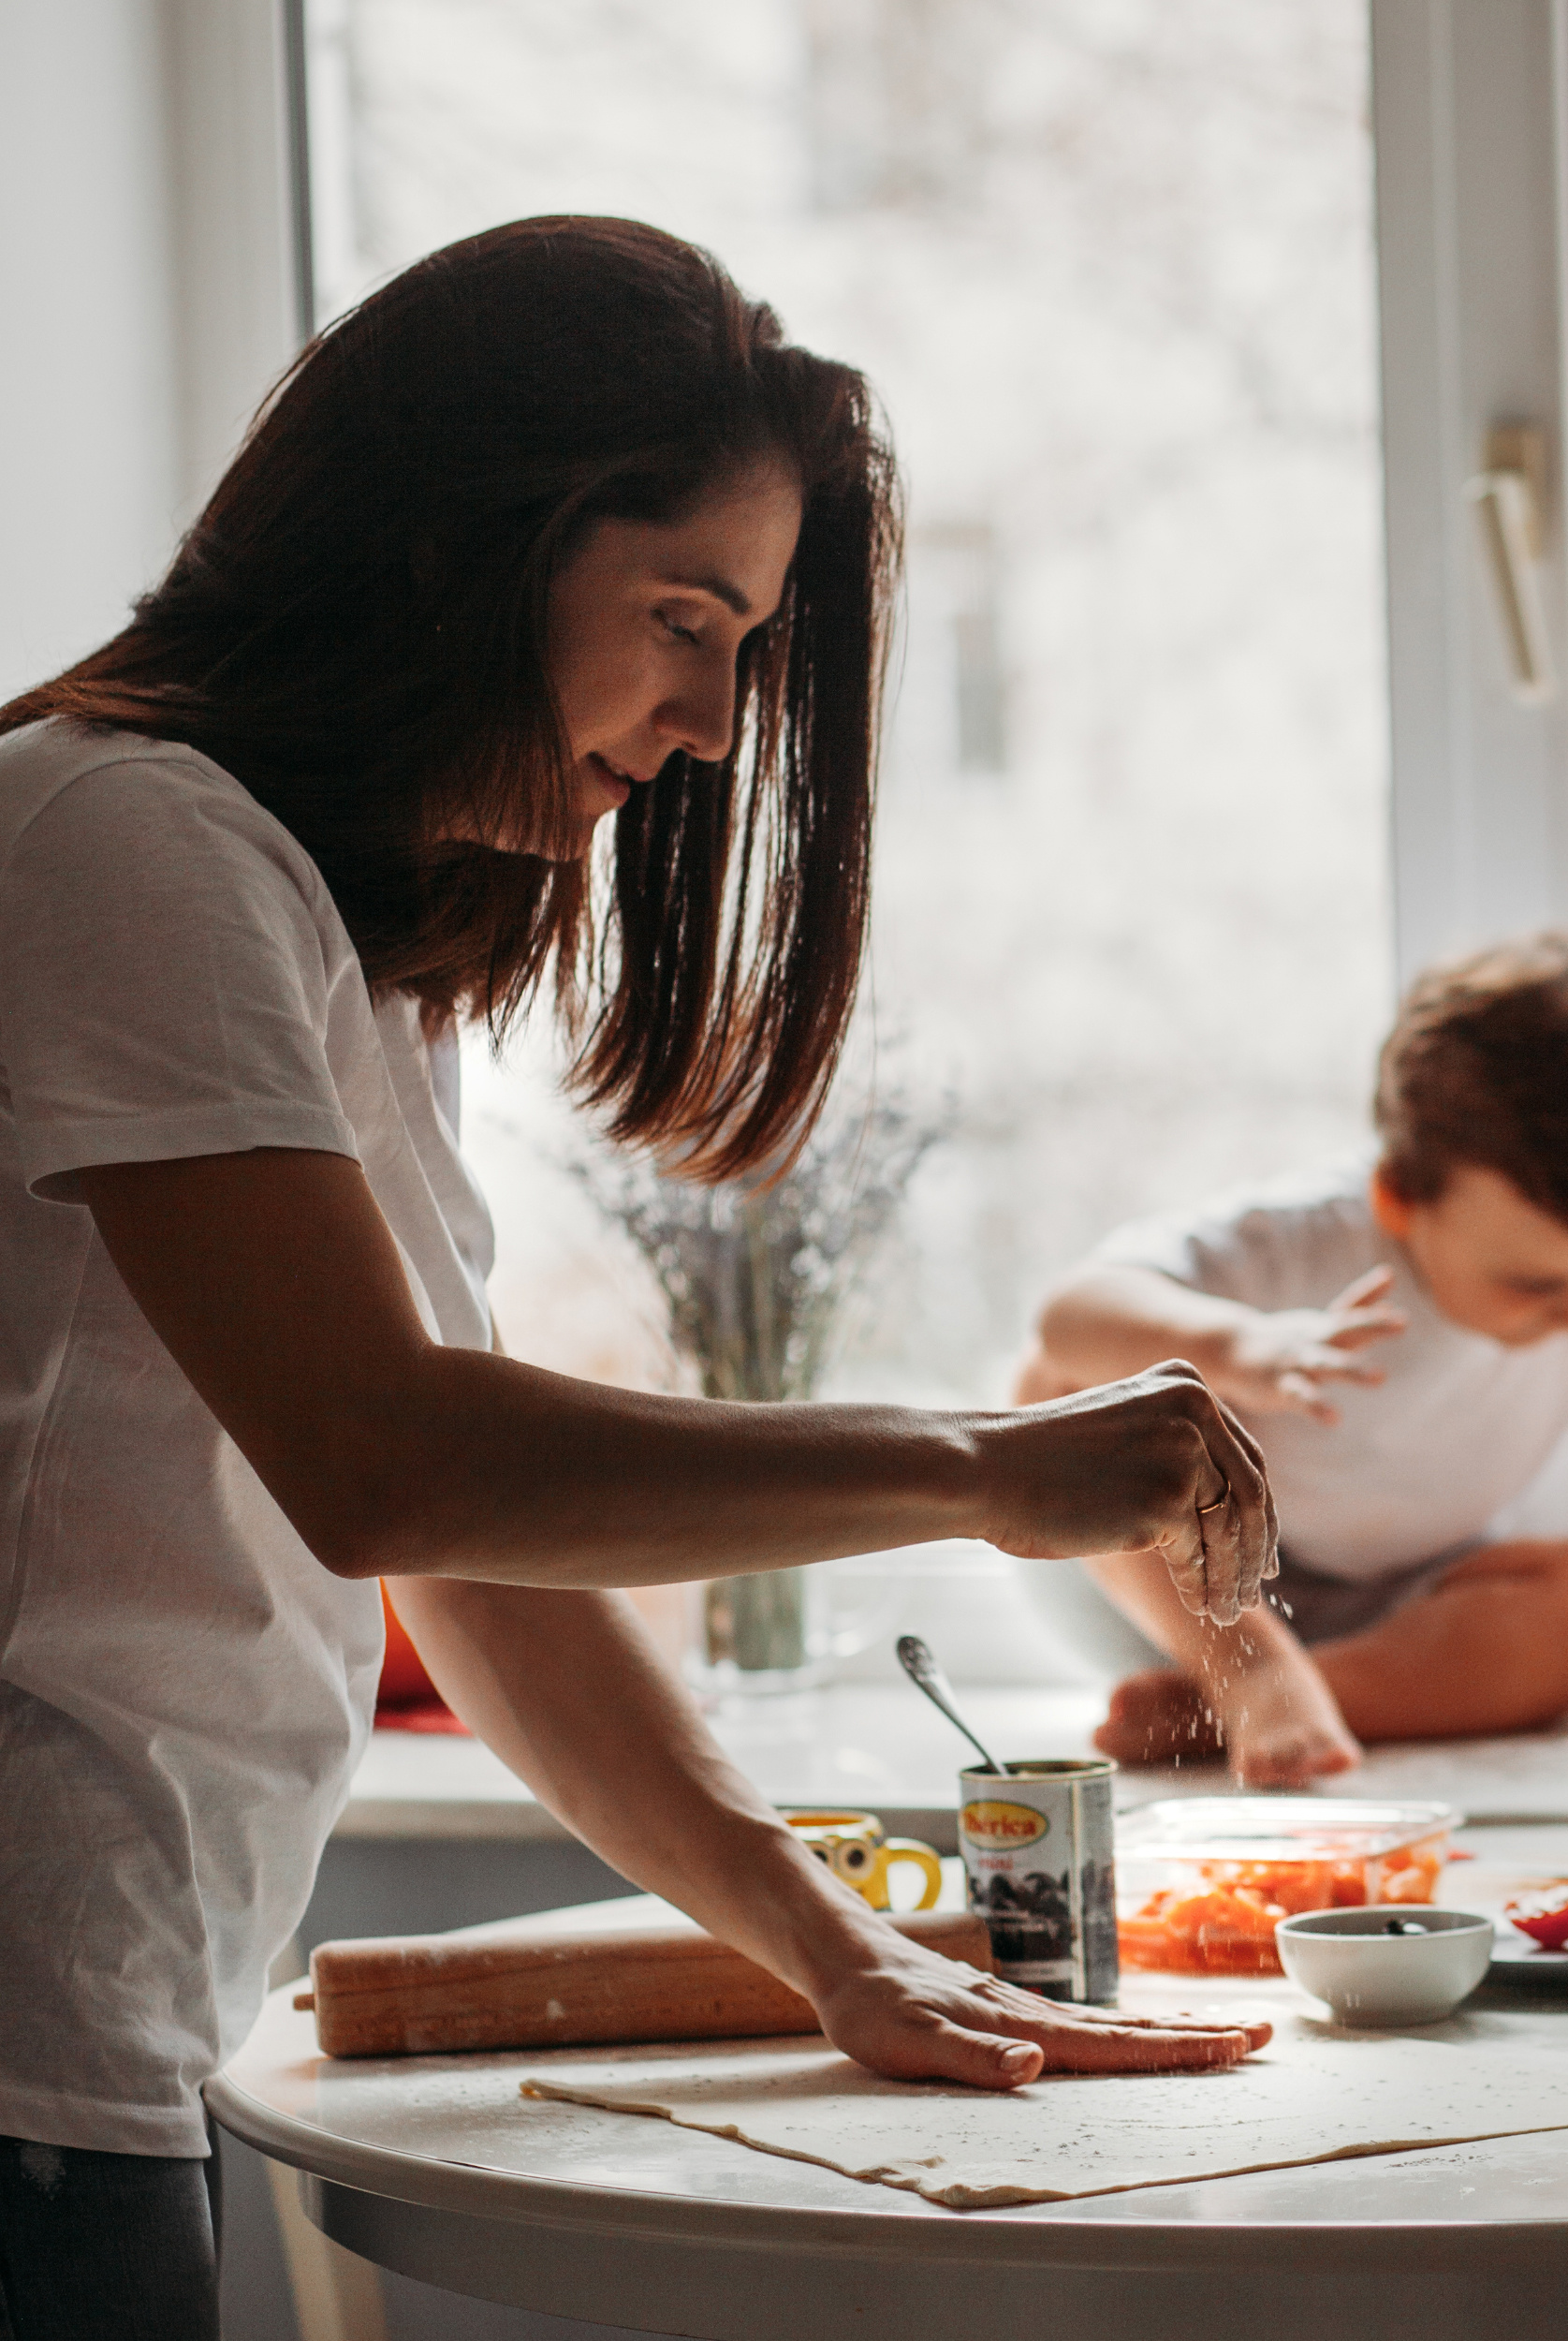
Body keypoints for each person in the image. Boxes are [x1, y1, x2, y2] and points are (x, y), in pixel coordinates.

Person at [0, 217, 1276, 2335]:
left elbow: (485, 1564)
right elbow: (385, 1463)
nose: (704, 719)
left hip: (101, 2042)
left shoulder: (345, 950)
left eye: (744, 646)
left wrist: (827, 1940)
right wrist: (980, 1469)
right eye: (681, 617)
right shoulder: (118, 836)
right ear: (456, 545)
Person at [1018, 933, 1568, 1789]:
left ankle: (1255, 1703)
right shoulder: (1297, 1242)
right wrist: (1240, 1347)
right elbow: (1065, 1313)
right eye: (1534, 1282)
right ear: (1399, 1197)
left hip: (1412, 1612)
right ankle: (1247, 1674)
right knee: (1055, 1386)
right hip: (1182, 1593)